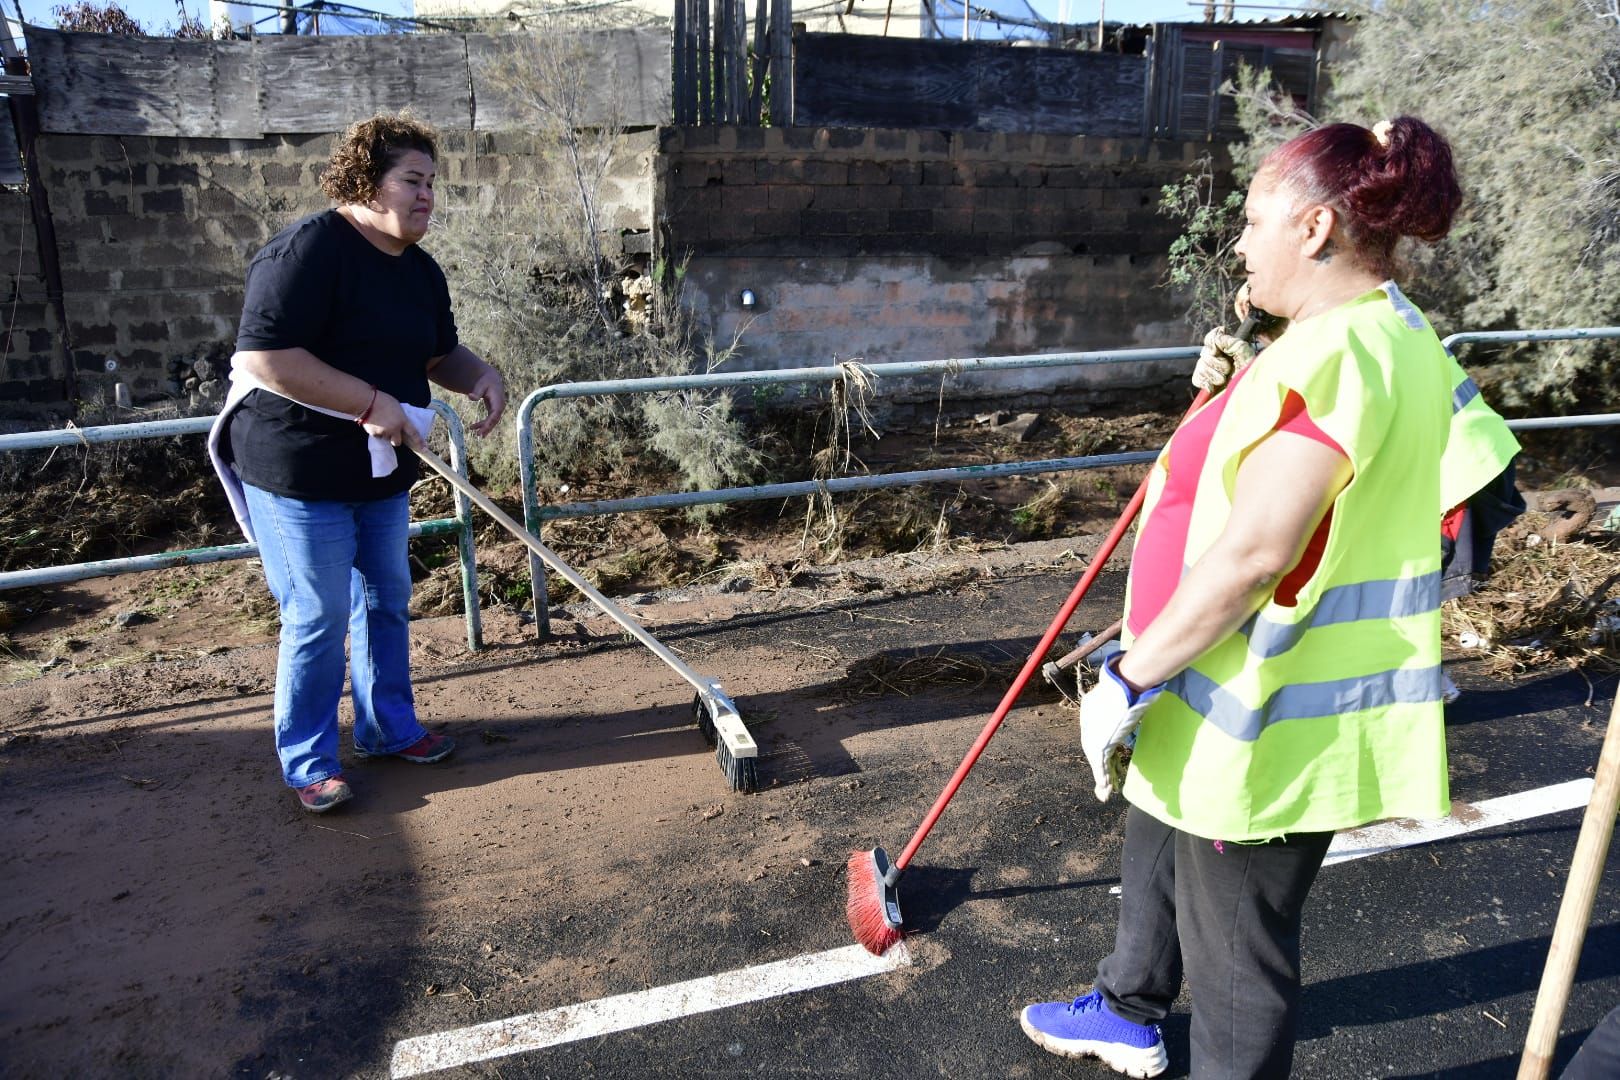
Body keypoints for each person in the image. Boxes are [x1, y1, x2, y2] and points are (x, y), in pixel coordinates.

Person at [1019, 117, 1464, 1078]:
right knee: (1156, 838)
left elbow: (1260, 549)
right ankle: (1128, 1005)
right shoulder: (1384, 333)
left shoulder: (1336, 359)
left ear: (1312, 229)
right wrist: (1241, 385)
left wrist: (1129, 675)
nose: (1238, 241)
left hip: (1267, 722)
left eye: (1255, 217)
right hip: (1224, 688)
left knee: (1237, 966)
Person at [208, 113, 506, 814]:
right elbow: (266, 358)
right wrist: (373, 401)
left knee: (385, 600)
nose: (427, 194)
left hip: (379, 469)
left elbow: (434, 355)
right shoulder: (309, 253)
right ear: (367, 181)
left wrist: (481, 376)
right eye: (412, 180)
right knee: (319, 612)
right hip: (298, 469)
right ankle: (309, 760)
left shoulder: (420, 271)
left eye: (432, 182)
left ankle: (387, 728)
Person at [1196, 286, 1524, 704]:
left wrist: (1247, 377)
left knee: (1396, 580)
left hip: (1457, 470)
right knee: (1391, 577)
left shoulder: (1335, 332)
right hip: (1468, 455)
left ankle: (1420, 688)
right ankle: (1418, 682)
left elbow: (1309, 406)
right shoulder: (1363, 310)